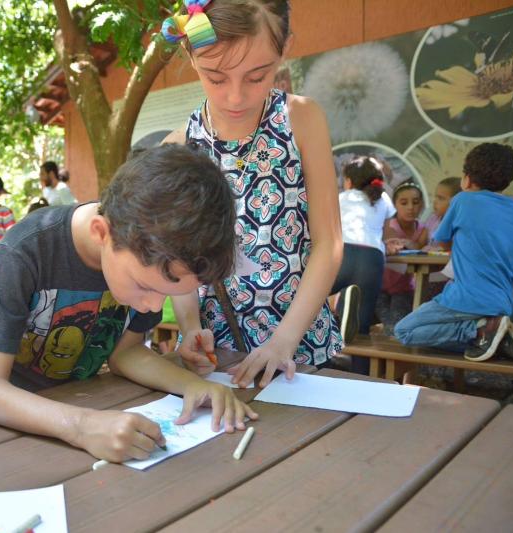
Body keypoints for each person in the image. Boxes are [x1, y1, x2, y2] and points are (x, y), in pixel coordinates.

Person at [0, 144, 256, 463]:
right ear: (101, 233)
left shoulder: (141, 255)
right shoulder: (27, 251)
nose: (153, 307)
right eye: (145, 287)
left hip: (76, 408)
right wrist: (82, 427)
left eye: (165, 294)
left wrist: (192, 385)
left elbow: (125, 353)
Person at [163, 0, 343, 388]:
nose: (235, 97)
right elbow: (179, 258)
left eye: (257, 76)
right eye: (215, 78)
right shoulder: (180, 147)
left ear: (284, 48)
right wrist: (190, 327)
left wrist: (283, 341)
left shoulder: (301, 119)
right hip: (216, 354)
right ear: (190, 56)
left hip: (298, 346)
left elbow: (328, 242)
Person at [395, 143, 513, 361]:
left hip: (465, 298)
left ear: (467, 179)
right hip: (503, 303)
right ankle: (494, 338)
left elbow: (443, 243)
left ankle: (479, 331)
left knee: (404, 331)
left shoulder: (463, 200)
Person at [328, 156, 396, 372]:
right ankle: (360, 376)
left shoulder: (341, 198)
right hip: (372, 259)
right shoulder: (384, 200)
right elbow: (386, 233)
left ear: (348, 181)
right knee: (362, 328)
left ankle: (324, 358)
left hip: (342, 254)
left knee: (313, 304)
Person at [376, 181, 428, 334]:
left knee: (397, 324)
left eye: (415, 202)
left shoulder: (422, 229)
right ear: (395, 205)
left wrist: (411, 244)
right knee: (387, 322)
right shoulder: (388, 226)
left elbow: (421, 249)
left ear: (422, 205)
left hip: (404, 289)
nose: (410, 207)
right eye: (404, 203)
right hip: (379, 288)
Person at [424, 177, 462, 250]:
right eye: (435, 197)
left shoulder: (458, 223)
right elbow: (421, 243)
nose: (435, 201)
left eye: (440, 198)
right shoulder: (433, 219)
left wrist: (439, 250)